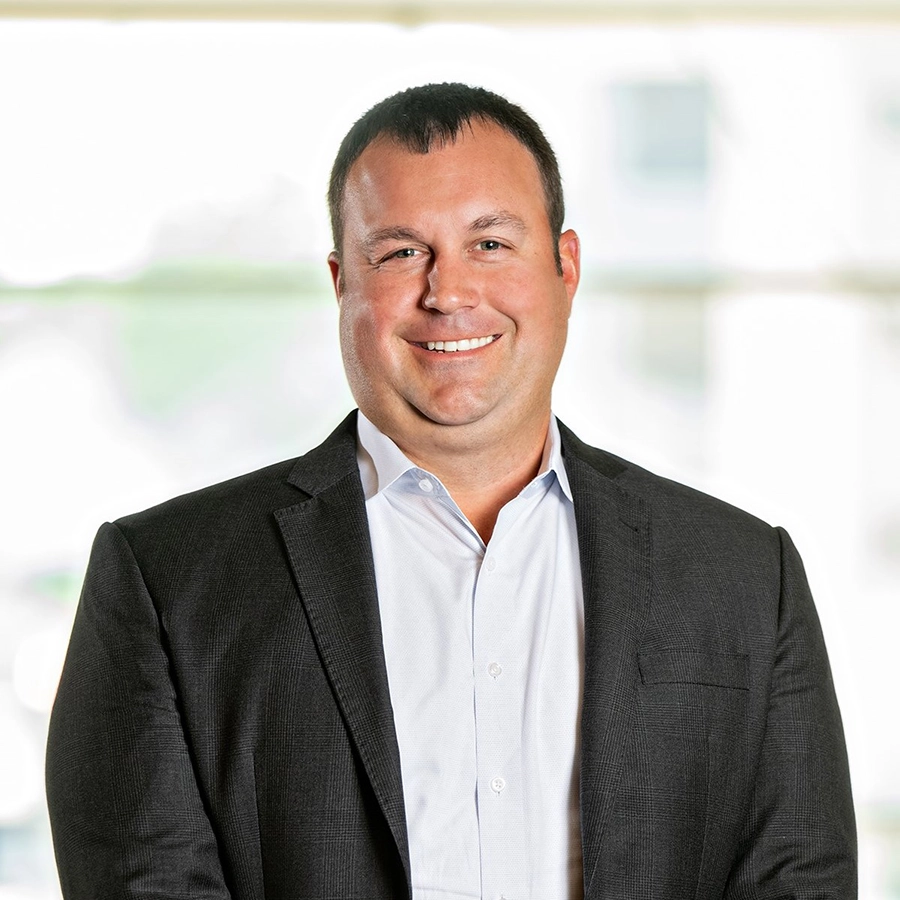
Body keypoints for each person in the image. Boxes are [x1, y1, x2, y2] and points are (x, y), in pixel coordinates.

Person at [46, 83, 856, 900]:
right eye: (400, 252)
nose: (448, 292)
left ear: (565, 266)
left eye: (491, 244)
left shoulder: (748, 577)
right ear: (341, 282)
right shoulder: (165, 581)